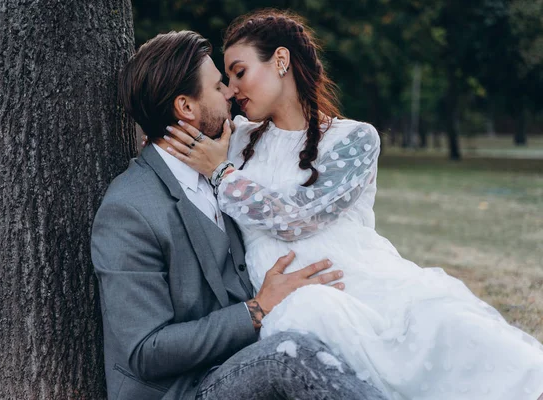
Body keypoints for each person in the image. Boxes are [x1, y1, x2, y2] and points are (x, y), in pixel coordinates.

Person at [163, 9, 543, 400]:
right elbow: (166, 118)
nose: (231, 88)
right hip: (292, 295)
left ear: (280, 60)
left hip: (359, 279)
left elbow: (297, 218)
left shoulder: (355, 140)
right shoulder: (234, 139)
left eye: (239, 72)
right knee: (321, 329)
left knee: (448, 329)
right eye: (226, 78)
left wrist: (222, 174)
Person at [91, 30, 387, 400]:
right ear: (186, 108)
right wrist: (257, 309)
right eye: (218, 87)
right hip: (185, 388)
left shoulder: (229, 166)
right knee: (290, 354)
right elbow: (145, 351)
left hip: (240, 357)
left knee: (353, 339)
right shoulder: (129, 209)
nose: (231, 92)